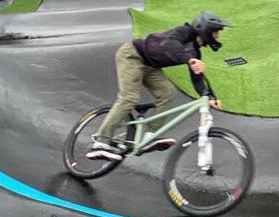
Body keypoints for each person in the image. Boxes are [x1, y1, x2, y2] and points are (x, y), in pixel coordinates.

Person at [86, 12, 231, 161]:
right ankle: (100, 143)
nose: (217, 36)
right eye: (216, 31)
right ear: (205, 29)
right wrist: (189, 60)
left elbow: (198, 80)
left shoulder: (195, 52)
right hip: (132, 56)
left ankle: (149, 136)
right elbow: (170, 44)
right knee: (129, 98)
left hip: (151, 67)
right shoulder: (184, 31)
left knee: (168, 93)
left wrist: (210, 97)